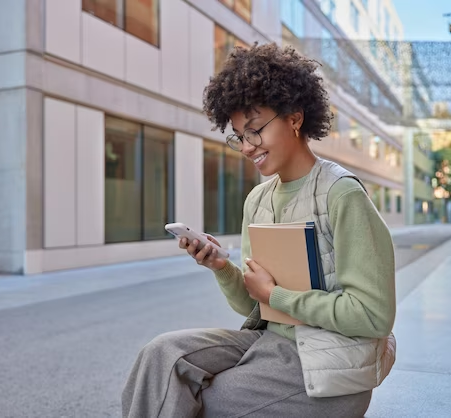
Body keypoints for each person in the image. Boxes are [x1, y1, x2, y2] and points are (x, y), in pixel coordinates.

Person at [121, 42, 396, 418]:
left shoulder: (341, 193)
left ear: (295, 118)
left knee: (210, 400)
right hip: (269, 344)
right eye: (238, 136)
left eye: (255, 131)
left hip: (328, 365)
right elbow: (256, 305)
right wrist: (222, 268)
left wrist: (278, 295)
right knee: (161, 357)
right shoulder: (258, 200)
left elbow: (372, 315)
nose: (248, 147)